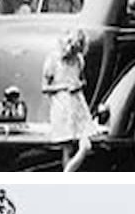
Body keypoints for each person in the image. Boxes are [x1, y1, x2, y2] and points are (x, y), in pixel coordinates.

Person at [41, 28, 97, 172]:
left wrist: (78, 85)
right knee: (68, 149)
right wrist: (64, 87)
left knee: (86, 145)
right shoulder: (53, 59)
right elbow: (45, 88)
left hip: (78, 105)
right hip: (62, 106)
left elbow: (82, 80)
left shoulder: (79, 60)